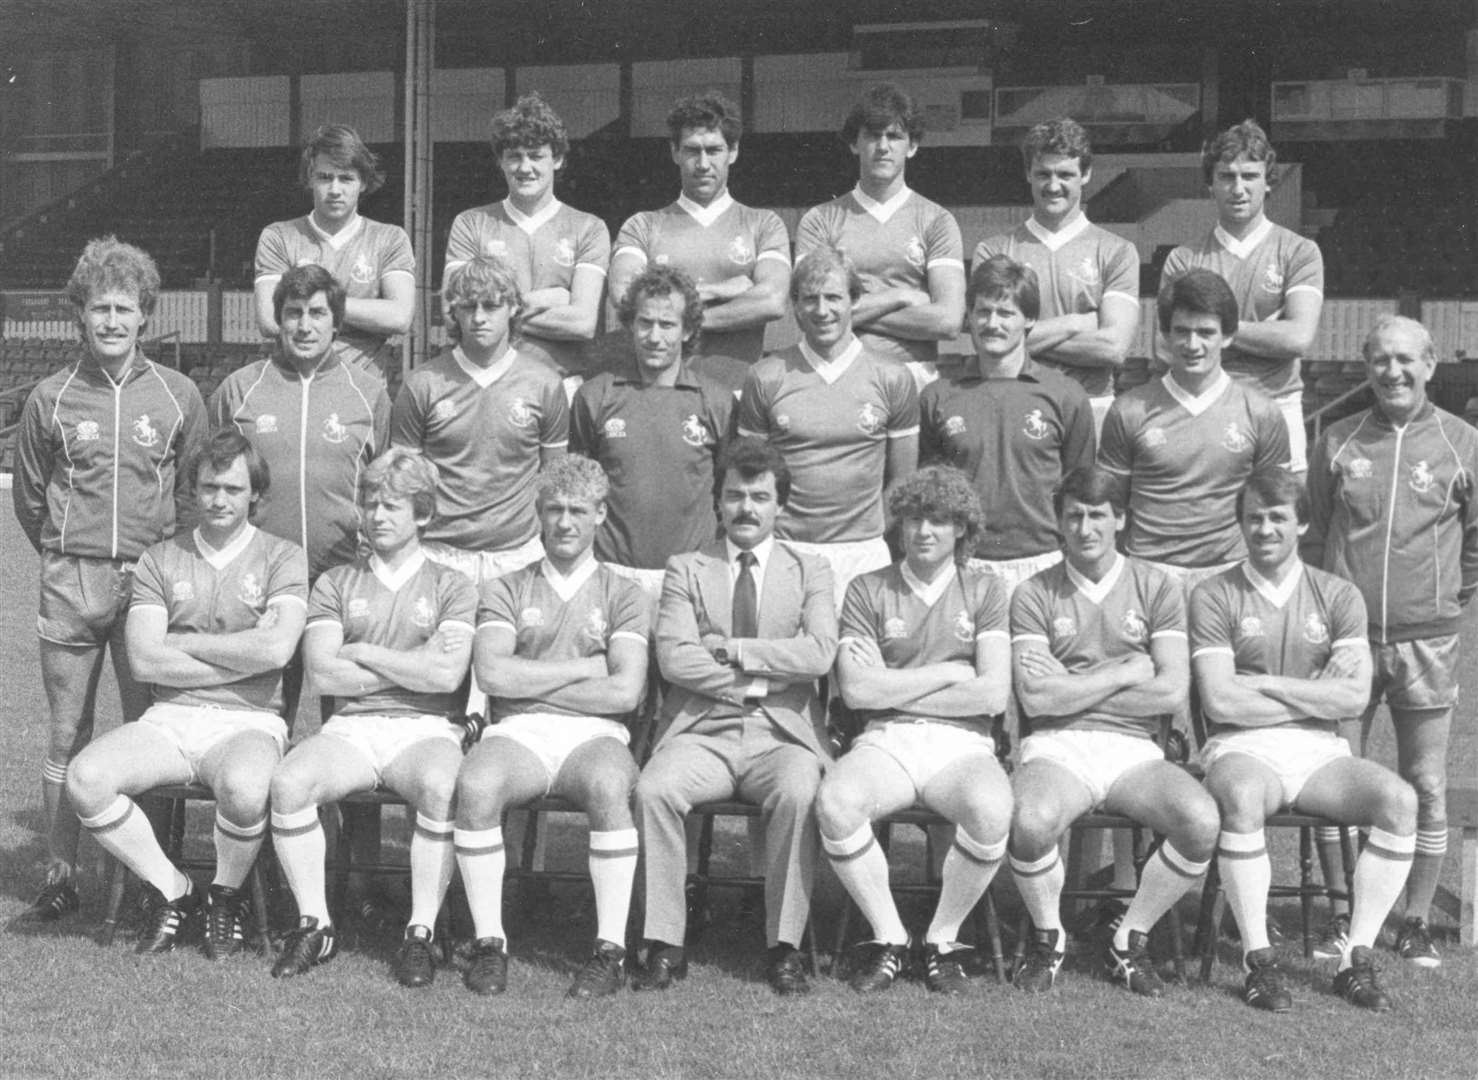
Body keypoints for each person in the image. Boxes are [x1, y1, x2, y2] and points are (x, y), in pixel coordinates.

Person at [12, 235, 207, 921]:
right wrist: (70, 553)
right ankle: (60, 874)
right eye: (101, 309)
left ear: (146, 315)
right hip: (72, 583)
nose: (113, 322)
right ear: (81, 315)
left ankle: (149, 879)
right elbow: (30, 498)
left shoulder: (178, 394)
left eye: (125, 309)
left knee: (145, 734)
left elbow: (193, 490)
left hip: (148, 588)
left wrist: (156, 562)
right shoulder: (51, 397)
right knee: (68, 733)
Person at [65, 430, 306, 956]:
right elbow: (145, 659)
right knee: (86, 779)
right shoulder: (160, 558)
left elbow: (278, 652)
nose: (220, 500)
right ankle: (175, 889)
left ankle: (225, 895)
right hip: (170, 717)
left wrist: (185, 645)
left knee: (244, 789)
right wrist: (241, 653)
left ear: (255, 494)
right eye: (210, 487)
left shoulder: (284, 558)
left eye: (234, 490)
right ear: (193, 490)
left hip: (250, 719)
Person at [1192, 468, 1416, 1012]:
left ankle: (1354, 957)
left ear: (1302, 524)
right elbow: (1221, 702)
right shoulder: (1214, 593)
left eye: (1277, 518)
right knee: (1242, 797)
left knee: (1400, 801)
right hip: (1241, 746)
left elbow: (1351, 700)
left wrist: (1265, 682)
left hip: (1318, 752)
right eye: (1253, 518)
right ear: (1241, 524)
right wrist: (1313, 690)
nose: (1264, 529)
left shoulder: (1338, 594)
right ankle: (1258, 961)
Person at [1303, 314, 1478, 969]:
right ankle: (1343, 915)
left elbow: (1475, 549)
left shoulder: (1464, 444)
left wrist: (1438, 603)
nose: (1392, 372)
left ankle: (1412, 920)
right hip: (1345, 645)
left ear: (1431, 364)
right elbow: (1319, 535)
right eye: (1380, 359)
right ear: (1366, 366)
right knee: (1334, 782)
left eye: (1406, 360)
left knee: (1425, 783)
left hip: (1425, 641)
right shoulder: (1338, 440)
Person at [632, 438, 837, 996]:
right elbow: (675, 658)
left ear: (780, 504)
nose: (747, 508)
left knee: (799, 792)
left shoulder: (811, 569)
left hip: (782, 734)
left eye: (760, 497)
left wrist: (733, 649)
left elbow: (819, 652)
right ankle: (665, 942)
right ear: (718, 503)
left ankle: (784, 946)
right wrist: (773, 666)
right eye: (735, 496)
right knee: (654, 790)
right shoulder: (686, 568)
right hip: (704, 731)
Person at [268, 448, 476, 987]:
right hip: (354, 728)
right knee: (290, 782)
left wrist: (364, 653)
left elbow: (446, 680)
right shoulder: (335, 582)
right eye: (371, 503)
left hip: (427, 728)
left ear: (423, 514)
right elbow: (324, 675)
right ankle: (316, 924)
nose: (378, 515)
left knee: (441, 785)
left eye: (393, 506)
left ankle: (421, 932)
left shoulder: (453, 584)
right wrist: (414, 665)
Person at [1008, 464, 1216, 996]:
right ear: (1059, 522)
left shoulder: (1156, 586)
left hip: (1134, 747)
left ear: (1119, 519)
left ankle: (1129, 938)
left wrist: (1072, 683)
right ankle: (1048, 937)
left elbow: (1171, 691)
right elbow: (1035, 697)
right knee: (1029, 823)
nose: (1085, 528)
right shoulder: (1034, 592)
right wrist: (1125, 670)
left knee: (1199, 821)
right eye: (1074, 515)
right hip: (1057, 745)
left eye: (1098, 515)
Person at [453, 456, 649, 998]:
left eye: (578, 510)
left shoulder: (625, 593)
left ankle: (609, 950)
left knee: (611, 786)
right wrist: (587, 667)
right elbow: (492, 673)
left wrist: (530, 677)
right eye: (554, 509)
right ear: (538, 514)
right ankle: (490, 944)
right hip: (520, 732)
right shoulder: (506, 588)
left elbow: (625, 691)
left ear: (600, 514)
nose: (565, 522)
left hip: (597, 733)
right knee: (475, 785)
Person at [818, 466, 1011, 995]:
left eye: (940, 520)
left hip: (964, 742)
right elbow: (858, 694)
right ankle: (890, 937)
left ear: (961, 531)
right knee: (836, 801)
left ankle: (943, 941)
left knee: (992, 810)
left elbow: (993, 694)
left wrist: (891, 679)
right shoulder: (867, 588)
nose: (925, 530)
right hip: (887, 738)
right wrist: (951, 672)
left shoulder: (986, 589)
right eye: (914, 519)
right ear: (898, 528)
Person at [737, 246, 918, 606]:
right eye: (810, 299)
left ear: (855, 300)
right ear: (794, 306)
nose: (822, 311)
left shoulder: (893, 377)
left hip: (863, 553)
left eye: (834, 298)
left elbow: (903, 479)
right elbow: (751, 475)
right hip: (787, 548)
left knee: (858, 660)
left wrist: (871, 531)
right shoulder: (766, 375)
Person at [1099, 268, 1290, 594]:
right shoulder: (1129, 409)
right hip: (1147, 572)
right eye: (1182, 331)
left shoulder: (1261, 412)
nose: (1192, 344)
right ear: (1165, 334)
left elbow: (1275, 505)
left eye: (1206, 332)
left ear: (1228, 336)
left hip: (1230, 574)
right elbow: (1110, 502)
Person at [921, 254, 1095, 598]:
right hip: (964, 562)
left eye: (1005, 313)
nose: (992, 323)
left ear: (1029, 319)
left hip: (1045, 563)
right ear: (968, 316)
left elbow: (1081, 488)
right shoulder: (938, 396)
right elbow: (929, 493)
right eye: (983, 312)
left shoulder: (1066, 395)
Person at [390, 254, 569, 587]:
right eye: (469, 307)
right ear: (454, 312)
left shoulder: (544, 383)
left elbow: (554, 478)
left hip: (518, 555)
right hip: (439, 553)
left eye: (491, 306)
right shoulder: (422, 383)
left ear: (514, 307)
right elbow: (404, 482)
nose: (479, 317)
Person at [1157, 120, 1323, 472]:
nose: (1238, 188)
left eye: (1249, 175)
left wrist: (1213, 329)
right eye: (1226, 177)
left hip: (1278, 406)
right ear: (1210, 185)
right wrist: (1263, 332)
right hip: (1202, 406)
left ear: (1268, 182)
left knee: (1277, 522)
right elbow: (1171, 346)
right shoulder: (1184, 259)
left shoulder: (1300, 252)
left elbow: (1297, 337)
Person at [212, 264, 389, 581]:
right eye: (294, 313)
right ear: (279, 320)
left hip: (345, 577)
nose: (305, 326)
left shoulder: (370, 395)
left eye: (318, 313)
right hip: (255, 576)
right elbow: (206, 484)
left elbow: (387, 489)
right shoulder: (236, 391)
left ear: (336, 323)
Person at [571, 264, 732, 609]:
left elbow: (728, 489)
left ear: (687, 330)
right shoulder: (594, 397)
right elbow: (579, 492)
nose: (655, 337)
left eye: (668, 325)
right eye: (645, 323)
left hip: (692, 575)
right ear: (630, 325)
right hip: (613, 572)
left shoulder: (716, 402)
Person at [607, 91, 790, 391]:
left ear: (733, 151)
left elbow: (772, 300)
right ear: (675, 152)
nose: (703, 163)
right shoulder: (641, 226)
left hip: (739, 393)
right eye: (692, 150)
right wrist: (723, 290)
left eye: (714, 150)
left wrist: (672, 319)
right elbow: (625, 297)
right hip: (661, 394)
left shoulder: (764, 224)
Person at [973, 118, 1140, 434]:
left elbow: (1114, 348)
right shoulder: (993, 251)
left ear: (1086, 174)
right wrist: (1077, 322)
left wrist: (1018, 337)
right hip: (1013, 402)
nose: (1053, 186)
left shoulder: (1117, 251)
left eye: (1065, 175)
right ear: (1027, 174)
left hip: (1092, 407)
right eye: (1043, 174)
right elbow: (985, 341)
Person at [796, 83, 966, 389]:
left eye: (894, 136)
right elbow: (808, 313)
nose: (883, 146)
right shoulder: (819, 221)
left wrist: (846, 313)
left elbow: (948, 321)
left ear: (912, 146)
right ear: (854, 143)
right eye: (873, 135)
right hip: (836, 374)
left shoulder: (938, 221)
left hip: (913, 376)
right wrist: (899, 297)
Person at [443, 93, 609, 393]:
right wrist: (554, 297)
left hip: (561, 387)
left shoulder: (589, 227)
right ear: (501, 162)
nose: (524, 167)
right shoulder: (470, 223)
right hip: (485, 385)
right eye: (514, 156)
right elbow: (453, 314)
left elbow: (583, 323)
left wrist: (497, 312)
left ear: (557, 159)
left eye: (535, 156)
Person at [253, 124, 415, 377]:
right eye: (325, 177)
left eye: (346, 178)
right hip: (294, 386)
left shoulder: (389, 238)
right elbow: (269, 319)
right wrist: (362, 314)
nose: (335, 190)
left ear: (363, 183)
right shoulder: (279, 236)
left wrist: (313, 306)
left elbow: (400, 317)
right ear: (310, 179)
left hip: (362, 392)